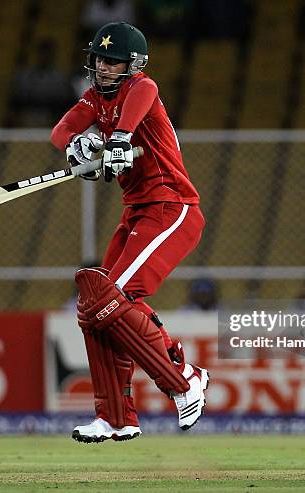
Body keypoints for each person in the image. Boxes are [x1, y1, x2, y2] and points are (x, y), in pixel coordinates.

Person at [50, 22, 209, 443]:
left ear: (132, 64)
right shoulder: (93, 100)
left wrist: (119, 138)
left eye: (113, 60)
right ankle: (116, 417)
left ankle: (184, 377)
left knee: (108, 300)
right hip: (137, 212)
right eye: (99, 59)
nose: (103, 67)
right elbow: (61, 129)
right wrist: (77, 146)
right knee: (93, 308)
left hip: (172, 207)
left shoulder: (141, 88)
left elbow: (142, 99)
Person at [12, 39, 74, 127]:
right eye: (41, 53)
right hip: (28, 114)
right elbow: (18, 99)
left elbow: (64, 101)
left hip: (51, 116)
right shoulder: (25, 76)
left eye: (47, 54)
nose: (44, 57)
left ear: (52, 56)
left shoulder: (60, 78)